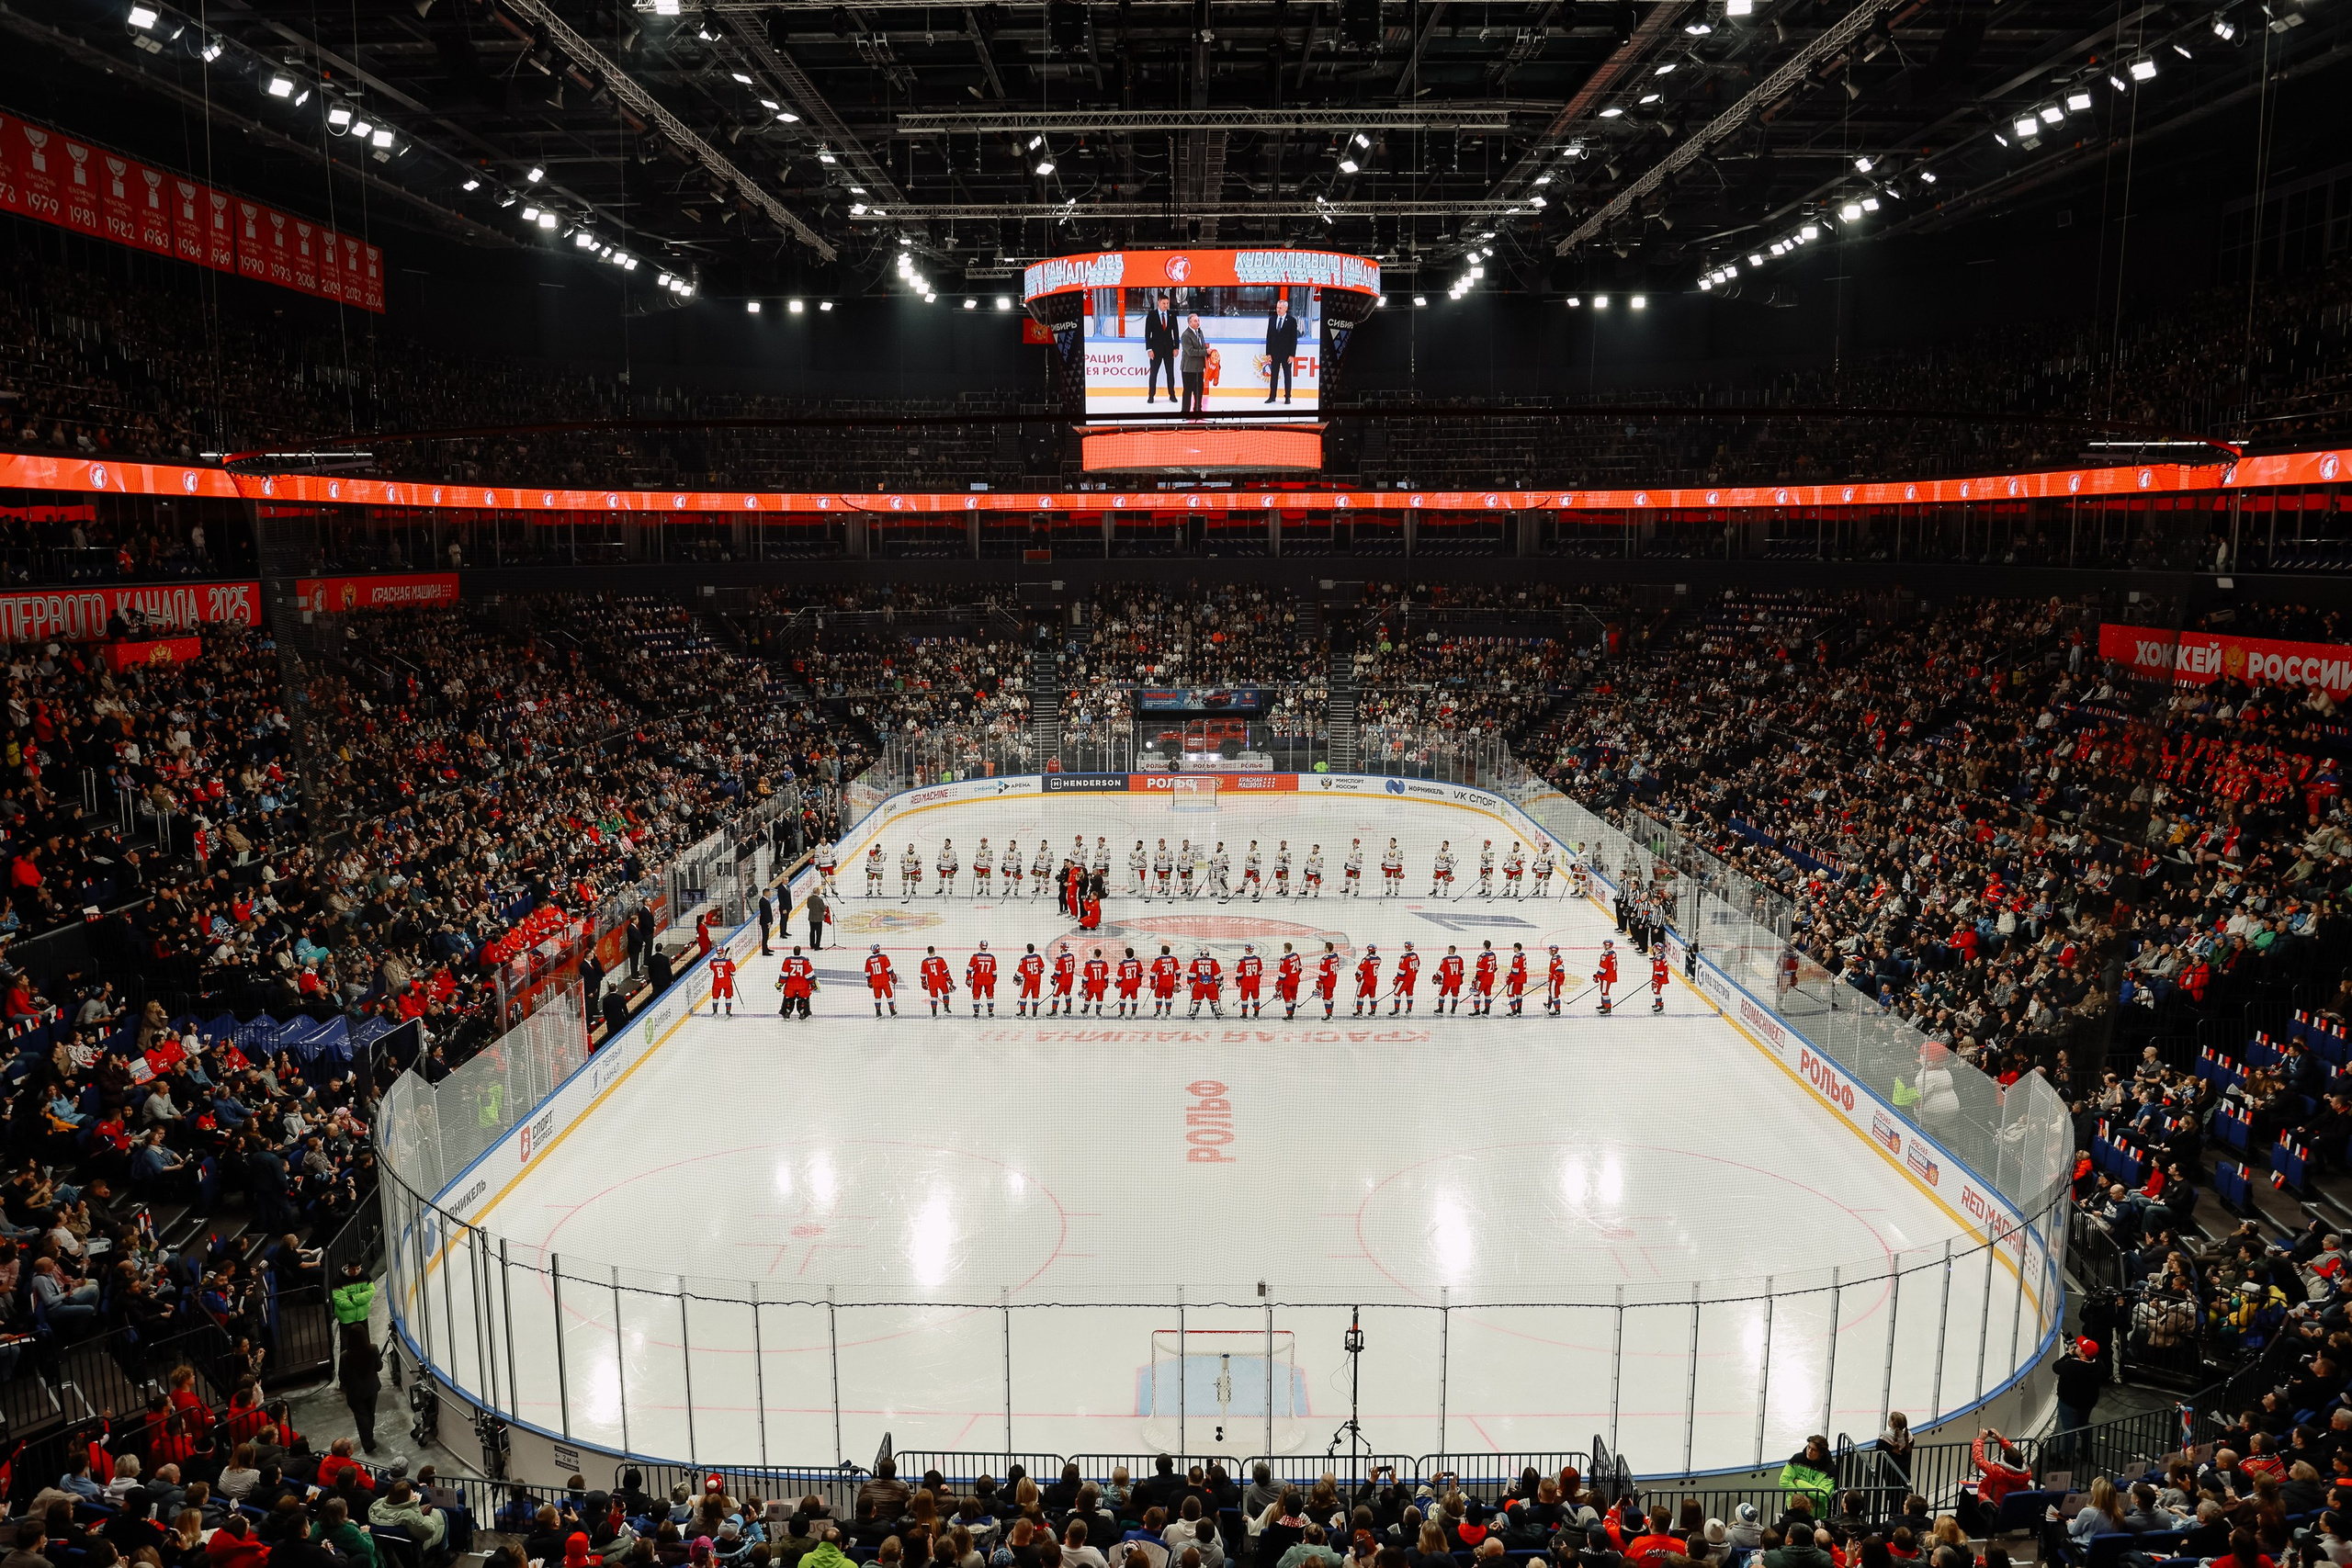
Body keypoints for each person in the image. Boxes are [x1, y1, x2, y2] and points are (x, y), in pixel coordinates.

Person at [336, 1327, 381, 1454]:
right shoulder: (373, 1349)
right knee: (370, 1413)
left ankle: (367, 1442)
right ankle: (369, 1436)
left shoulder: (345, 1356)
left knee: (361, 1417)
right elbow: (379, 1367)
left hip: (355, 1392)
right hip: (372, 1388)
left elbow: (342, 1377)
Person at [1144, 294, 1180, 404]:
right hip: (1156, 349)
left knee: (1170, 373)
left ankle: (1172, 394)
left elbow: (1176, 332)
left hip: (1169, 349)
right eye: (1164, 303)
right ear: (1158, 302)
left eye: (1167, 303)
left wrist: (1176, 347)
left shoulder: (1171, 315)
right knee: (1154, 373)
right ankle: (1151, 395)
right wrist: (1149, 349)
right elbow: (1147, 333)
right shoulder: (1152, 315)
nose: (1166, 305)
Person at [1264, 299, 1300, 404]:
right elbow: (1269, 337)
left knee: (1287, 375)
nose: (1278, 310)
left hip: (1286, 354)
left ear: (1286, 308)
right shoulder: (1272, 319)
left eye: (1280, 308)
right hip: (1274, 353)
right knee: (1274, 375)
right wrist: (1268, 353)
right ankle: (1272, 396)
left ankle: (1287, 397)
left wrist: (1292, 355)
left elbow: (1294, 339)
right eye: (1277, 308)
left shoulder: (1292, 321)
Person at [1180, 314, 1209, 416]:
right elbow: (1190, 351)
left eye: (1198, 320)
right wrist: (1205, 352)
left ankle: (1198, 411)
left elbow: (1202, 347)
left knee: (1198, 391)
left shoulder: (1200, 333)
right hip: (1188, 368)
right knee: (1188, 391)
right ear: (1189, 323)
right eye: (1195, 321)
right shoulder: (1185, 335)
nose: (1198, 323)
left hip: (1199, 368)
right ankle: (1185, 412)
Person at [807, 887, 830, 951]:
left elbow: (808, 906)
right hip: (818, 918)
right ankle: (817, 946)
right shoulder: (819, 900)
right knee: (818, 933)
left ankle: (812, 944)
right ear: (817, 892)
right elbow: (823, 908)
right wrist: (825, 906)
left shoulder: (809, 898)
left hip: (811, 918)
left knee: (812, 931)